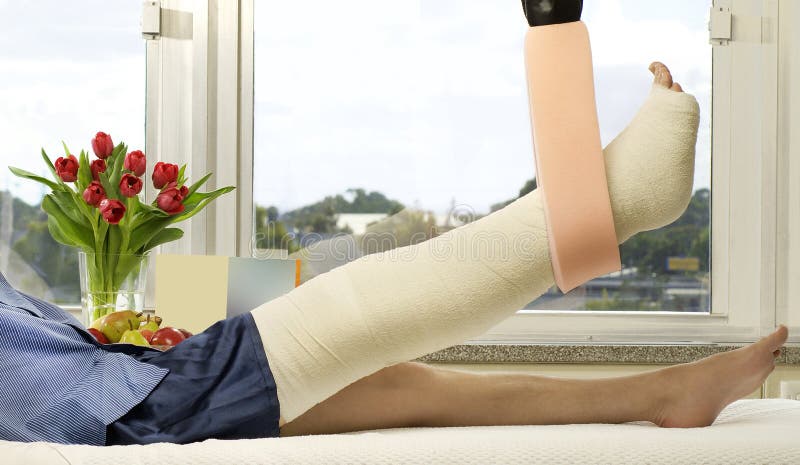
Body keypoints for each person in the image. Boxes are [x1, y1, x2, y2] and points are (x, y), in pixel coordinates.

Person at [0, 63, 789, 447]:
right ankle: (618, 201)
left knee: (401, 381)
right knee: (344, 308)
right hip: (137, 412)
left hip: (128, 384)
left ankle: (664, 392)